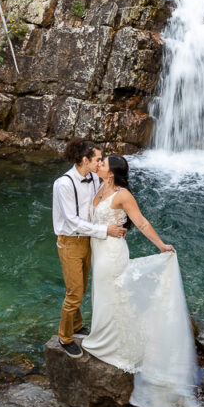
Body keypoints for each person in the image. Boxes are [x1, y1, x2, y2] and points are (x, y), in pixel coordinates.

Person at [83, 154, 200, 407]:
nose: (98, 164)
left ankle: (114, 345)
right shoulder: (99, 187)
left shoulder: (123, 195)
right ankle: (104, 335)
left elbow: (141, 222)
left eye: (103, 163)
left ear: (112, 172)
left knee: (115, 295)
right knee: (103, 296)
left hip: (112, 254)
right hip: (99, 250)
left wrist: (161, 245)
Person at [52, 139, 127, 359]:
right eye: (98, 159)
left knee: (82, 286)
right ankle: (64, 337)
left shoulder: (95, 177)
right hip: (70, 240)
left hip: (90, 239)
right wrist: (105, 230)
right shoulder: (63, 184)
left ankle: (77, 326)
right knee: (74, 292)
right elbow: (73, 221)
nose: (101, 162)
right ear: (85, 160)